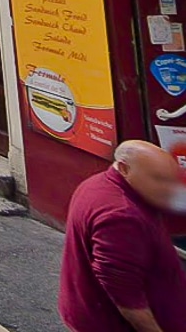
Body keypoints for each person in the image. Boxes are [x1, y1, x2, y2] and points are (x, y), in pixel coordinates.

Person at [59, 139, 186, 332]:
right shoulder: (122, 217)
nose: (168, 189)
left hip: (83, 308)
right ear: (124, 169)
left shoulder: (97, 183)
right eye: (158, 179)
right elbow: (128, 299)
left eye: (171, 179)